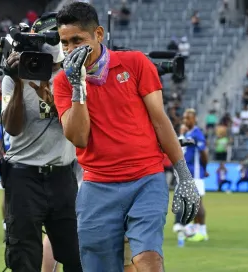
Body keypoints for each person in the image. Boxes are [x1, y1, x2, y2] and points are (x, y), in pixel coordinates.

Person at [53, 2, 200, 271]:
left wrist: (184, 176)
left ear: (99, 34)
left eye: (78, 40)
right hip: (97, 187)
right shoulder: (64, 82)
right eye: (65, 43)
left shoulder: (135, 63)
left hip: (146, 180)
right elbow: (79, 138)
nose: (71, 49)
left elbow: (160, 122)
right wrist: (78, 87)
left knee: (148, 260)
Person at [1, 14, 82, 272]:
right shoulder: (15, 76)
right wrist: (15, 81)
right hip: (24, 175)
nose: (48, 66)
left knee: (76, 253)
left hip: (62, 174)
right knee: (24, 256)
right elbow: (12, 128)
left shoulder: (72, 77)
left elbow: (75, 127)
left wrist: (54, 92)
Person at [172, 109, 209, 242]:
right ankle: (196, 228)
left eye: (188, 118)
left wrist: (205, 168)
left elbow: (204, 152)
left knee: (197, 203)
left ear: (194, 119)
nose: (185, 121)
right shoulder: (188, 134)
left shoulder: (197, 134)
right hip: (188, 173)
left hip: (196, 173)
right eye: (184, 118)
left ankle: (202, 231)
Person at [0, 123, 10, 238]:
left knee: (6, 197)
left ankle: (6, 225)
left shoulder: (2, 125)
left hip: (6, 161)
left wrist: (4, 155)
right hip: (22, 160)